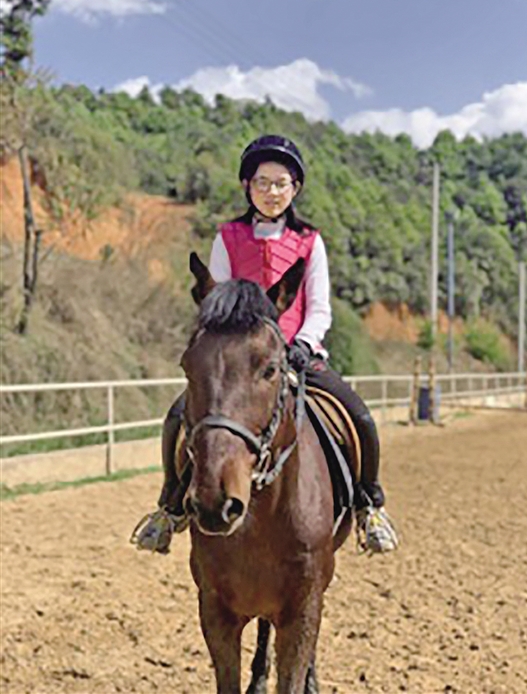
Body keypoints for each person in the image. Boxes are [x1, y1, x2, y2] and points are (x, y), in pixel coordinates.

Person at [131, 135, 398, 556]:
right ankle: (169, 507)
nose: (271, 191)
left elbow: (320, 307)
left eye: (281, 183)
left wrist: (303, 344)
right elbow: (217, 304)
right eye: (262, 182)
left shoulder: (310, 241)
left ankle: (369, 505)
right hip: (239, 359)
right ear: (247, 186)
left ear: (295, 189)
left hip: (297, 354)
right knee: (178, 416)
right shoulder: (228, 237)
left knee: (359, 416)